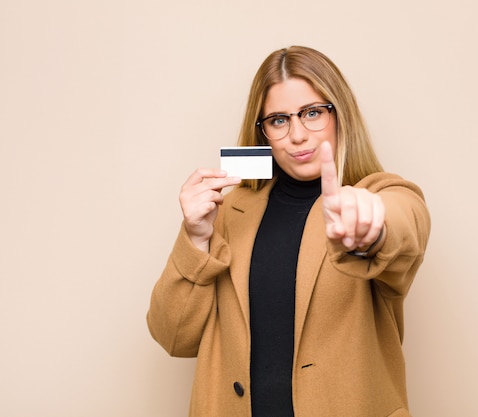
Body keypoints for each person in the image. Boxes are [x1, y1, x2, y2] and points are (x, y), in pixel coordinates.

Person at [147, 45, 431, 417]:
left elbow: (403, 221)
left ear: (340, 115)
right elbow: (174, 337)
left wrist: (371, 227)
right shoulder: (231, 213)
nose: (297, 134)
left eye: (313, 113)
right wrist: (196, 238)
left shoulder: (382, 194)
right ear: (263, 131)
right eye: (279, 120)